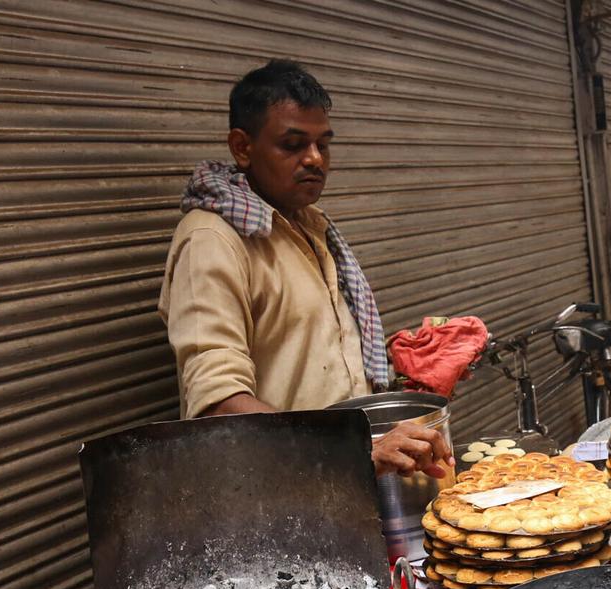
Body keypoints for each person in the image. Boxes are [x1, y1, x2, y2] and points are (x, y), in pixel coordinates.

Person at [158, 59, 452, 477]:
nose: (315, 159)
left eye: (323, 144)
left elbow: (317, 361)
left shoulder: (311, 225)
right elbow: (218, 403)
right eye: (293, 145)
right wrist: (356, 451)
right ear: (242, 147)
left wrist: (410, 369)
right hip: (278, 491)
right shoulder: (213, 240)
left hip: (344, 480)